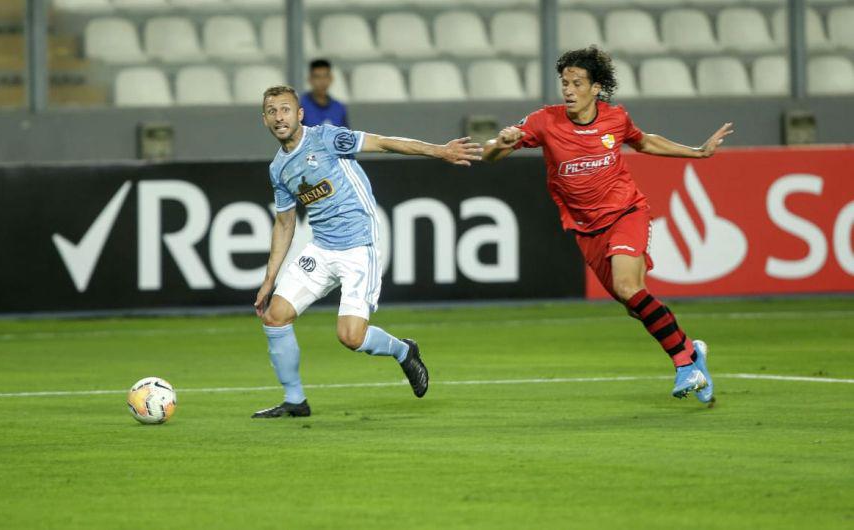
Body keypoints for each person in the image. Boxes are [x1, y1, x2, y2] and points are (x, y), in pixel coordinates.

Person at [482, 46, 733, 406]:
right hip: (587, 229)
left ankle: (683, 365)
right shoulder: (544, 121)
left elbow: (644, 141)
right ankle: (693, 353)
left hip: (626, 212)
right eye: (564, 83)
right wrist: (500, 143)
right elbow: (490, 154)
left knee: (628, 286)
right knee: (633, 303)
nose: (568, 90)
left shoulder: (615, 118)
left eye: (577, 83)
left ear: (596, 87)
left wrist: (697, 151)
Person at [253, 85, 482, 418]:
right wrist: (268, 280)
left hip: (359, 244)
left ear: (299, 114)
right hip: (321, 247)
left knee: (350, 337)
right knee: (275, 316)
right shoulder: (279, 168)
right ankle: (295, 401)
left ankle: (404, 351)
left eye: (285, 109)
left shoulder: (327, 138)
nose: (279, 117)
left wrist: (440, 151)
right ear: (264, 120)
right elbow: (285, 223)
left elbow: (384, 143)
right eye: (272, 111)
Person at [300, 59, 349, 127]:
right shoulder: (300, 105)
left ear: (331, 78)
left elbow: (345, 132)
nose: (322, 81)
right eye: (317, 77)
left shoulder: (339, 108)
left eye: (325, 76)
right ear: (310, 79)